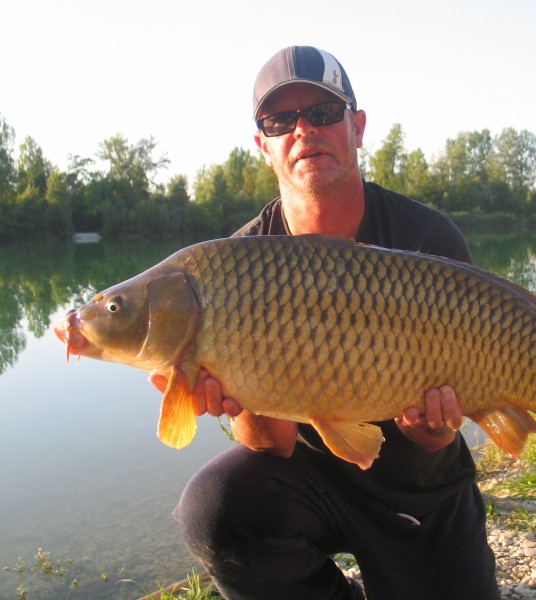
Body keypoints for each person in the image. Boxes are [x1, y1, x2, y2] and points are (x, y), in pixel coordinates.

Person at [160, 46, 499, 600]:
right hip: (311, 479)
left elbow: (439, 439)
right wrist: (238, 399)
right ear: (262, 145)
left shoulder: (427, 239)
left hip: (421, 485)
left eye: (321, 112)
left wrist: (433, 427)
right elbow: (273, 445)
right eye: (279, 120)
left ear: (357, 126)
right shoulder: (235, 264)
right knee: (214, 507)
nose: (302, 130)